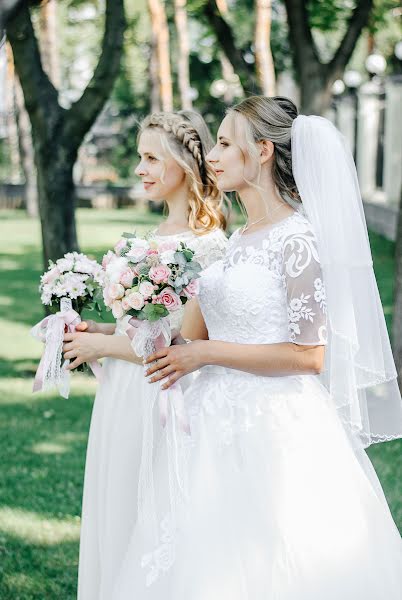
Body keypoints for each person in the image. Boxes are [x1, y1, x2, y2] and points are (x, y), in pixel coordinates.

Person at [113, 96, 402, 599]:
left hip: (273, 429)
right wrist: (141, 310)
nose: (214, 155)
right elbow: (193, 335)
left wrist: (204, 355)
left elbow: (308, 356)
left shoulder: (298, 240)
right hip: (208, 424)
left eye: (225, 143)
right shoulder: (239, 239)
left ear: (263, 151)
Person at [64, 111, 228, 600]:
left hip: (161, 396)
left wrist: (101, 345)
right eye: (140, 157)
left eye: (152, 157)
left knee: (145, 514)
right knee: (112, 505)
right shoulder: (151, 240)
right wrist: (96, 331)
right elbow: (138, 327)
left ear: (184, 163)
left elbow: (184, 344)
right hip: (121, 394)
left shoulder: (209, 247)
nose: (140, 168)